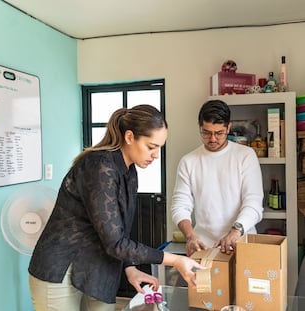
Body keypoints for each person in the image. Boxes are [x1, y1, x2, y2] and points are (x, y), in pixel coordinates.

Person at [28, 105, 204, 311]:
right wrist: (175, 260)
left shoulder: (129, 172)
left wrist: (130, 268)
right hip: (61, 269)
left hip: (95, 267)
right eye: (151, 146)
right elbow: (115, 243)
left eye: (159, 148)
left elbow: (117, 230)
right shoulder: (99, 166)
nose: (156, 155)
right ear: (130, 137)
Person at [171, 99, 264, 256]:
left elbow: (254, 204)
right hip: (204, 247)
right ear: (199, 126)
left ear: (228, 127)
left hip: (241, 242)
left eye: (219, 133)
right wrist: (190, 235)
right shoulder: (189, 161)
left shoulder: (245, 156)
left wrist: (235, 232)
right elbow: (180, 206)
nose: (212, 139)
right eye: (206, 133)